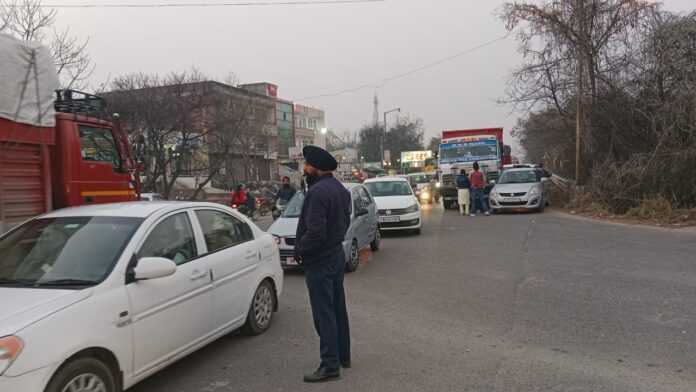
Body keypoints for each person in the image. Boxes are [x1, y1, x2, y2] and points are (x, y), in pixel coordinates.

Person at [294, 145, 352, 383]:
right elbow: (344, 223)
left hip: (320, 260)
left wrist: (301, 251)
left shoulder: (318, 192)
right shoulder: (340, 189)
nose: (304, 169)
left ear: (316, 168)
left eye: (307, 165)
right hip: (336, 255)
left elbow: (315, 232)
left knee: (323, 314)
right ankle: (343, 356)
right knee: (338, 308)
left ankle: (330, 365)